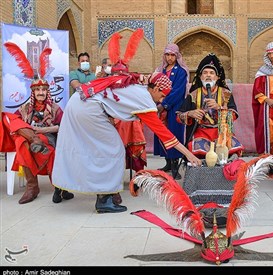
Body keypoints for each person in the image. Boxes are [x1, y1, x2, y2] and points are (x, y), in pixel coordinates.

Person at [52, 30, 202, 214]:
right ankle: (104, 199)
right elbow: (165, 136)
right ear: (154, 88)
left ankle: (62, 187)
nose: (162, 99)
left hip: (77, 103)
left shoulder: (135, 87)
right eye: (161, 94)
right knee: (113, 149)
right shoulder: (144, 98)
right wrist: (189, 155)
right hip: (87, 109)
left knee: (76, 146)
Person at [1, 42, 74, 204]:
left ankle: (32, 186)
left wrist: (39, 131)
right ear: (33, 92)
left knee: (21, 141)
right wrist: (31, 134)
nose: (40, 92)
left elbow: (62, 127)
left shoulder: (55, 108)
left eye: (43, 90)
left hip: (48, 139)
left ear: (47, 92)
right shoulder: (25, 108)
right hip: (32, 141)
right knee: (13, 125)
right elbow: (12, 122)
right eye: (37, 90)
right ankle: (33, 186)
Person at [176, 53, 244, 159]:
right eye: (205, 73)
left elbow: (234, 116)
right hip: (201, 132)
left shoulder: (226, 94)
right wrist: (190, 113)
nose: (208, 75)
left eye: (212, 73)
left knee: (230, 151)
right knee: (199, 150)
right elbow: (178, 116)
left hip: (221, 132)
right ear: (200, 76)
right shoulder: (193, 95)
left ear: (217, 77)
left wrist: (219, 108)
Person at [153, 43, 189, 179]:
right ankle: (167, 163)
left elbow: (178, 91)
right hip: (160, 107)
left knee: (173, 135)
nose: (169, 58)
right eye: (167, 55)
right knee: (162, 135)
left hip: (174, 108)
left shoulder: (181, 71)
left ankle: (175, 167)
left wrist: (165, 105)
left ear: (177, 56)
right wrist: (158, 103)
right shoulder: (160, 70)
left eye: (172, 55)